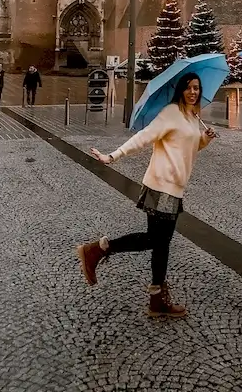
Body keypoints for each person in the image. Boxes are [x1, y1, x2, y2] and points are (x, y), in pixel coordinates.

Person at [76, 73, 218, 318]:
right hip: (161, 186)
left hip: (175, 189)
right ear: (180, 90)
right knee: (157, 241)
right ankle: (99, 250)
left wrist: (204, 138)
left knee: (159, 242)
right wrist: (113, 156)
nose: (193, 92)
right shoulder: (171, 113)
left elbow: (188, 148)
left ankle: (155, 297)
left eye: (196, 88)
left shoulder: (192, 117)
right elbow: (144, 137)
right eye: (188, 88)